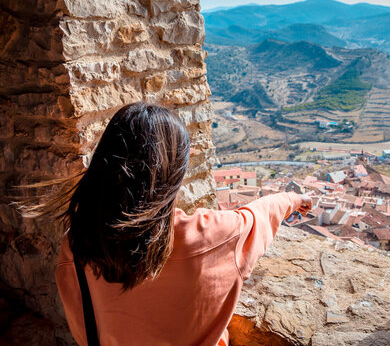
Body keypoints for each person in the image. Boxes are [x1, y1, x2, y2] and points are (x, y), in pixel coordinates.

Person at [20, 102, 311, 346]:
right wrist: (293, 199)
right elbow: (259, 215)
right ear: (174, 174)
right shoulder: (214, 236)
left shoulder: (76, 246)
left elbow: (84, 332)